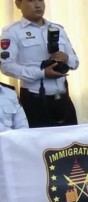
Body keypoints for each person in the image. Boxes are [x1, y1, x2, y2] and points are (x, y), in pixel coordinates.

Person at [1, 0, 78, 128]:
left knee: (72, 140)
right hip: (34, 101)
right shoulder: (12, 32)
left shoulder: (58, 29)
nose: (38, 5)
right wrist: (42, 73)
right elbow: (6, 66)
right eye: (31, 1)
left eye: (41, 0)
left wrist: (66, 58)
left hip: (63, 100)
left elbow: (75, 62)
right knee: (38, 141)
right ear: (18, 4)